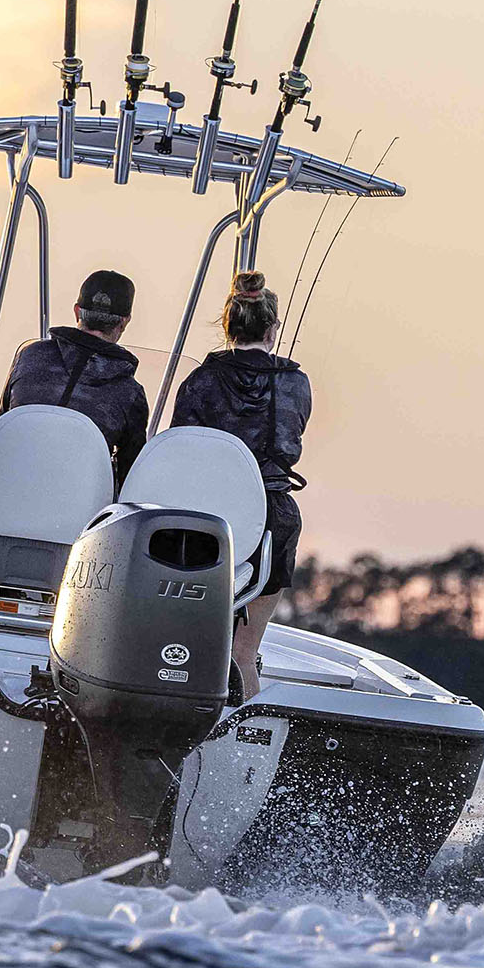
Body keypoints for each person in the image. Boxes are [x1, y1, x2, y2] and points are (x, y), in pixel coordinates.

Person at [169, 270, 310, 700]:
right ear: (272, 328)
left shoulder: (200, 382)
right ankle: (241, 749)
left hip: (204, 525)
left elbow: (180, 451)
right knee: (243, 652)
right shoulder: (296, 383)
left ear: (227, 327)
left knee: (184, 643)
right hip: (272, 522)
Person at [0, 269, 148, 488]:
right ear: (124, 322)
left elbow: (2, 424)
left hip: (3, 495)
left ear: (77, 311)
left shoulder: (30, 356)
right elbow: (131, 479)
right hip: (76, 517)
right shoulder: (130, 393)